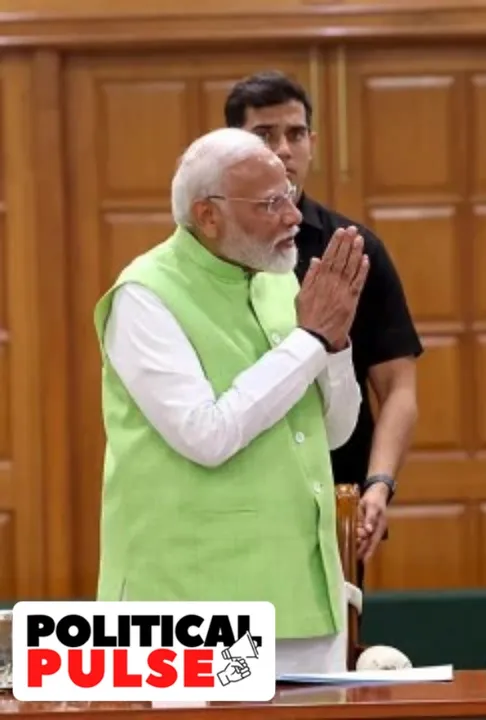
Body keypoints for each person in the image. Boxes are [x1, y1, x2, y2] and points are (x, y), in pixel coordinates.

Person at [94, 127, 368, 674]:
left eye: (289, 194)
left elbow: (334, 433)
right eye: (270, 204)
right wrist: (310, 340)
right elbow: (207, 435)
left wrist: (334, 347)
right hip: (186, 608)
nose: (294, 216)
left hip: (304, 593)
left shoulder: (280, 282)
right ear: (208, 215)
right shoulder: (145, 295)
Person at [225, 71, 423, 573]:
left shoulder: (353, 249)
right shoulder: (214, 253)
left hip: (333, 499)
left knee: (336, 648)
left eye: (295, 134)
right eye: (264, 136)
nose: (283, 149)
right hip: (233, 498)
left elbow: (397, 385)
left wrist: (379, 483)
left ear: (312, 142)